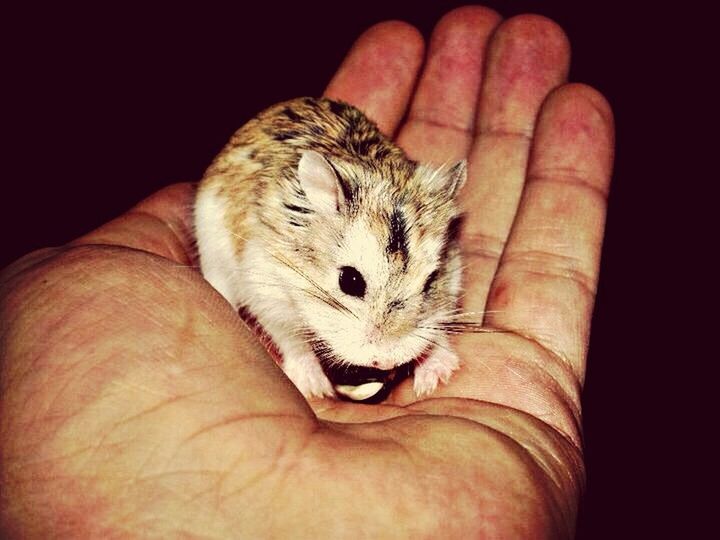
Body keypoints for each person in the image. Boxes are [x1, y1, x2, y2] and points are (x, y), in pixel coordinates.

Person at [0, 6, 613, 538]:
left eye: (421, 284)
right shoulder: (286, 232)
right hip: (262, 189)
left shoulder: (432, 236)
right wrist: (296, 351)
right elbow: (272, 282)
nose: (380, 350)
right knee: (218, 224)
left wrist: (431, 346)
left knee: (399, 296)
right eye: (353, 283)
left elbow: (430, 281)